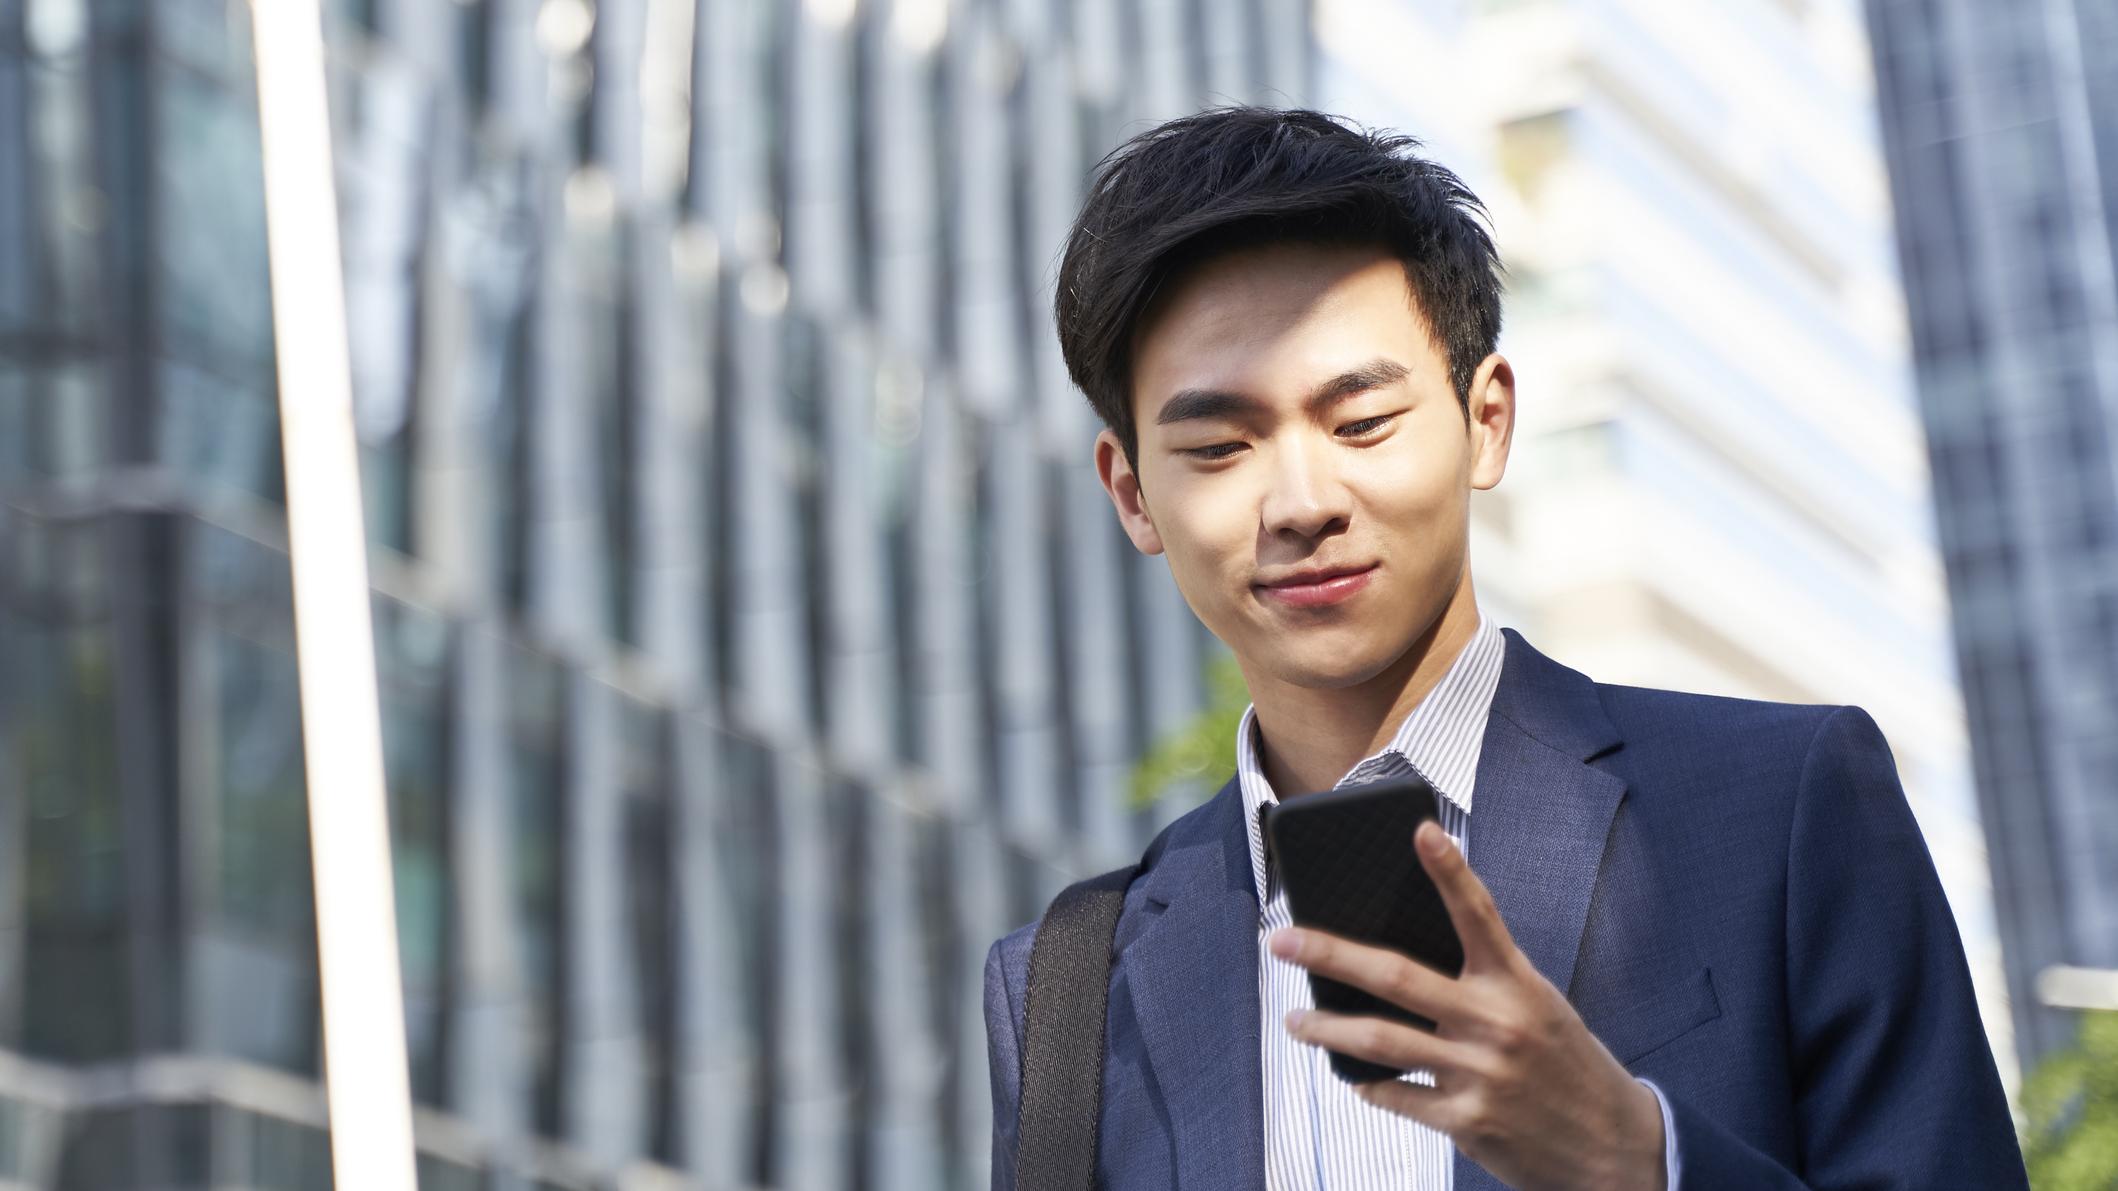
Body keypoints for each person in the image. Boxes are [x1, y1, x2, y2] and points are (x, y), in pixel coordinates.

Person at [982, 107, 2026, 1190]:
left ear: (1487, 421)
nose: (1300, 502)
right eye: (1217, 446)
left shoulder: (1784, 811)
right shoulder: (1064, 990)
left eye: (1363, 422)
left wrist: (1641, 1160)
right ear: (1131, 493)